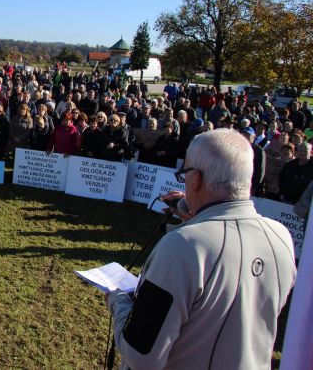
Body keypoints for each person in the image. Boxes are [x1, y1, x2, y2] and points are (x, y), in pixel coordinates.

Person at [106, 129, 296, 370]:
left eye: (184, 175)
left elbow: (141, 356)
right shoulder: (281, 237)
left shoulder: (182, 246)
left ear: (195, 178)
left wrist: (118, 301)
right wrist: (198, 214)